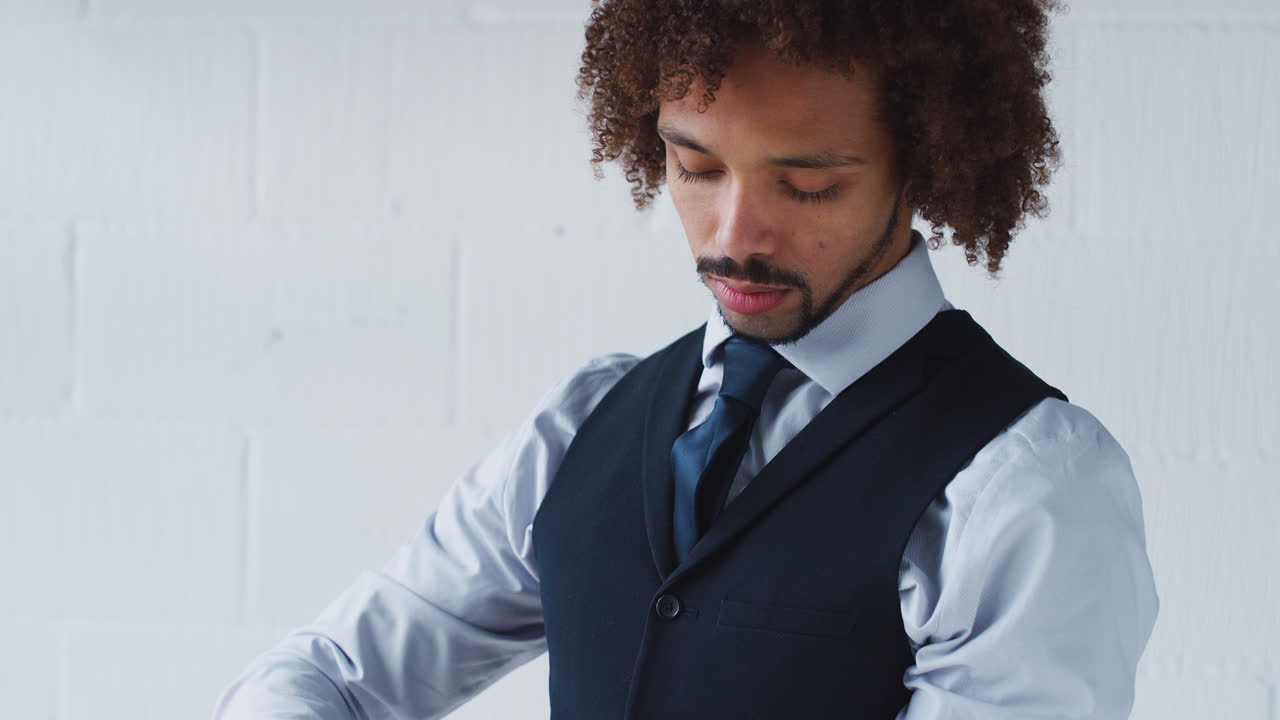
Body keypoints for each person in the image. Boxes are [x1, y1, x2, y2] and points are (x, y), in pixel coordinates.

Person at [215, 1, 1159, 718]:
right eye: (696, 169)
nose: (734, 235)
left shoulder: (1027, 489)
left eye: (809, 184)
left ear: (927, 163)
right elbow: (330, 672)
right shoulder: (588, 419)